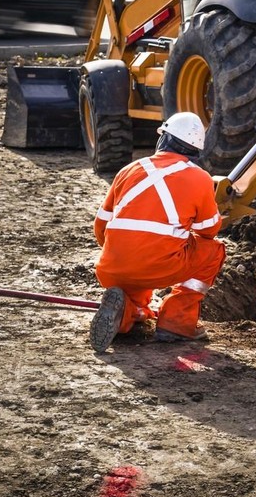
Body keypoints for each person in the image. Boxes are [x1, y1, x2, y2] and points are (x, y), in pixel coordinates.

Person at [90, 112, 225, 353]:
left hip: (110, 268)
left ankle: (125, 314)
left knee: (135, 289)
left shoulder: (129, 170)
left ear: (163, 139)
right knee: (214, 251)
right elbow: (209, 231)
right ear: (195, 151)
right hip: (160, 269)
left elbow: (101, 225)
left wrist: (124, 254)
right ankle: (177, 321)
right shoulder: (200, 178)